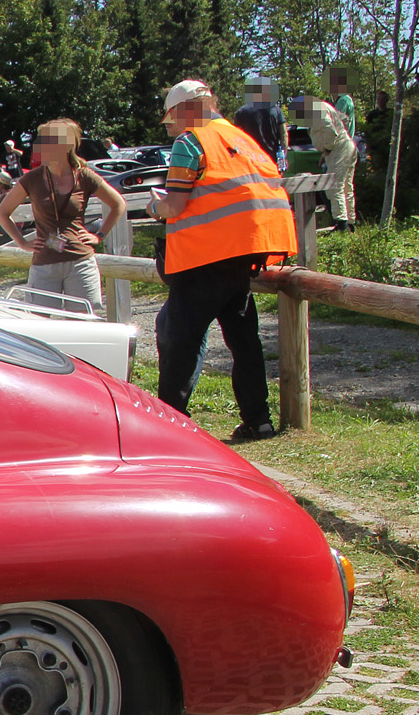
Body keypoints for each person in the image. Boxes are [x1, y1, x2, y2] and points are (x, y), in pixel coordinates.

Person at [151, 79, 298, 442]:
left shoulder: (191, 142)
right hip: (243, 255)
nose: (173, 126)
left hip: (204, 257)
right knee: (244, 342)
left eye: (172, 117)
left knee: (179, 339)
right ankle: (258, 419)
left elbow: (176, 204)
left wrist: (155, 207)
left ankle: (169, 425)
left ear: (188, 109)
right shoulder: (244, 140)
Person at [0, 119, 126, 311]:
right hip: (44, 264)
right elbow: (2, 213)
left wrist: (99, 235)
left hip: (80, 262)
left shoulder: (84, 176)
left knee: (82, 324)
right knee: (39, 323)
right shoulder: (32, 178)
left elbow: (118, 204)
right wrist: (22, 242)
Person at [300, 75, 357, 227]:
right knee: (346, 187)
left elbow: (330, 130)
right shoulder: (325, 107)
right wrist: (325, 153)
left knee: (334, 186)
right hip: (346, 146)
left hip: (339, 148)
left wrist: (327, 149)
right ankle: (350, 222)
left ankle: (341, 223)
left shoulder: (318, 110)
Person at [231, 74, 286, 166]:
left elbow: (235, 137)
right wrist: (283, 156)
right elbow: (284, 134)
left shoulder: (241, 112)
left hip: (251, 159)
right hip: (272, 159)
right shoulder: (275, 110)